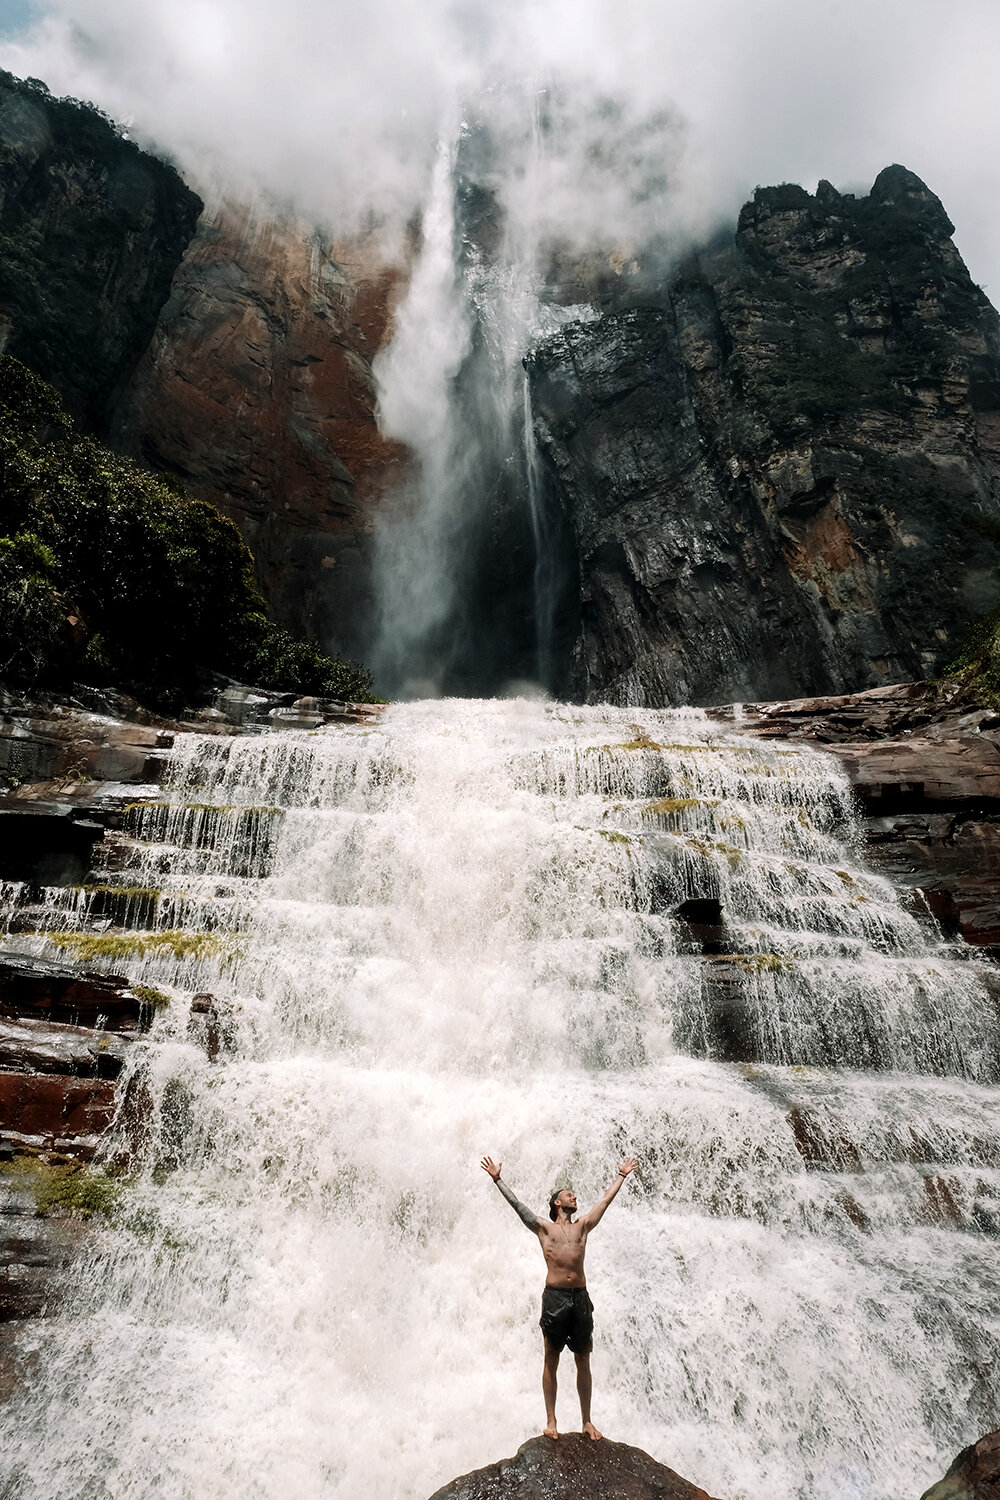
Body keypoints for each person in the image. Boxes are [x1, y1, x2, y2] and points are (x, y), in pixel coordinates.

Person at [480, 1153, 639, 1440]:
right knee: (551, 1359)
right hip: (555, 1298)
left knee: (583, 1360)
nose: (574, 1197)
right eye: (569, 1195)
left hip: (580, 1298)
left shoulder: (583, 1226)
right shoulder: (544, 1228)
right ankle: (551, 1421)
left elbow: (604, 1201)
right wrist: (498, 1179)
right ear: (557, 1203)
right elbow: (518, 1206)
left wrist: (622, 1175)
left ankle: (587, 1421)